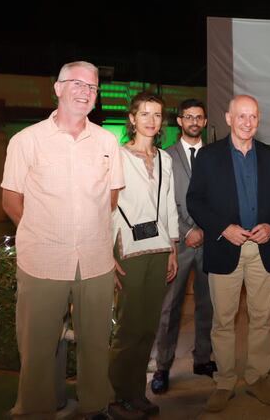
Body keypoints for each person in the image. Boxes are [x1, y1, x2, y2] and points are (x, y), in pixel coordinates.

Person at [1, 61, 124, 419]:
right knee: (37, 346)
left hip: (96, 262)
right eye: (77, 84)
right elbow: (11, 201)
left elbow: (111, 199)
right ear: (57, 88)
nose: (86, 91)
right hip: (42, 261)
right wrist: (47, 233)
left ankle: (95, 405)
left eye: (93, 86)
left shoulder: (106, 141)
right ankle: (34, 409)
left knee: (96, 343)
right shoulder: (26, 141)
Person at [187, 94, 270, 413]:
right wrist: (223, 228)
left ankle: (258, 377)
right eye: (241, 116)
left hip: (263, 249)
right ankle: (225, 382)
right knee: (223, 320)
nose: (247, 122)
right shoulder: (208, 156)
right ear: (229, 118)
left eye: (253, 117)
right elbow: (196, 201)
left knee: (261, 318)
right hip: (224, 247)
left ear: (259, 120)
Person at [107, 92, 179, 419]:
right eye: (145, 113)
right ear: (132, 118)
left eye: (157, 114)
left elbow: (168, 206)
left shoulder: (165, 159)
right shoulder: (116, 157)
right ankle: (118, 395)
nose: (151, 120)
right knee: (128, 328)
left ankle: (136, 393)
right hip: (129, 250)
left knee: (148, 327)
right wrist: (107, 254)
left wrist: (173, 248)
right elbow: (105, 208)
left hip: (160, 249)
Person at [151, 99, 216, 396]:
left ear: (204, 122)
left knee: (208, 304)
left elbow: (220, 198)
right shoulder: (165, 157)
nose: (193, 121)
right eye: (187, 116)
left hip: (211, 242)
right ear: (179, 121)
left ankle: (203, 358)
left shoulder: (216, 156)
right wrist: (187, 230)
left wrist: (208, 229)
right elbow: (161, 203)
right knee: (170, 307)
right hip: (179, 242)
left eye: (198, 117)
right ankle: (162, 366)